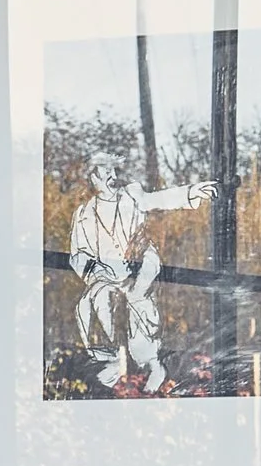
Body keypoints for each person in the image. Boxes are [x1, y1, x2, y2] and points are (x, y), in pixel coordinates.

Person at [68, 164, 208, 392]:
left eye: (113, 171)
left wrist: (190, 193)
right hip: (106, 275)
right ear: (93, 178)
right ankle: (114, 359)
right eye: (105, 173)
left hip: (139, 263)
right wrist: (98, 273)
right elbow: (77, 255)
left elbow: (159, 199)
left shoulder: (131, 196)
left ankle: (151, 364)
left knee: (139, 301)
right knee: (96, 301)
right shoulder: (83, 214)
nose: (112, 177)